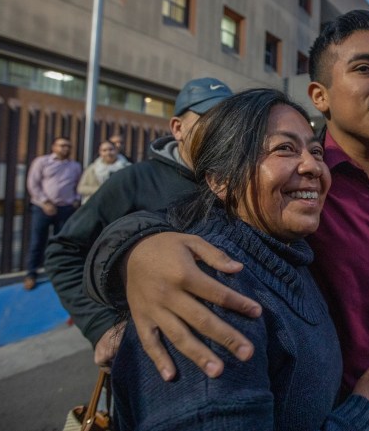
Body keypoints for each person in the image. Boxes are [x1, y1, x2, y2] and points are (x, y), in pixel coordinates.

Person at [85, 10, 369, 430]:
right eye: (364, 69)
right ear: (320, 95)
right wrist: (140, 254)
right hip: (356, 407)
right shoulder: (281, 202)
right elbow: (166, 222)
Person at [92, 88, 369, 430]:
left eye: (315, 150)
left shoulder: (285, 254)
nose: (312, 166)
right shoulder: (209, 289)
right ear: (221, 179)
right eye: (284, 148)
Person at [45, 78, 232, 365]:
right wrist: (101, 326)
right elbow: (64, 252)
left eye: (230, 120)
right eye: (210, 119)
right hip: (154, 360)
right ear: (177, 128)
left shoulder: (241, 182)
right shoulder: (132, 181)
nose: (222, 130)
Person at [24, 136, 81, 290]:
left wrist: (76, 199)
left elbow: (78, 184)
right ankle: (31, 274)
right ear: (53, 147)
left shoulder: (74, 165)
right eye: (62, 145)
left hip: (65, 208)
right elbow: (33, 184)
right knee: (37, 241)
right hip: (42, 208)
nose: (65, 148)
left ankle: (58, 273)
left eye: (68, 146)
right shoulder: (42, 162)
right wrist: (45, 202)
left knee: (61, 242)